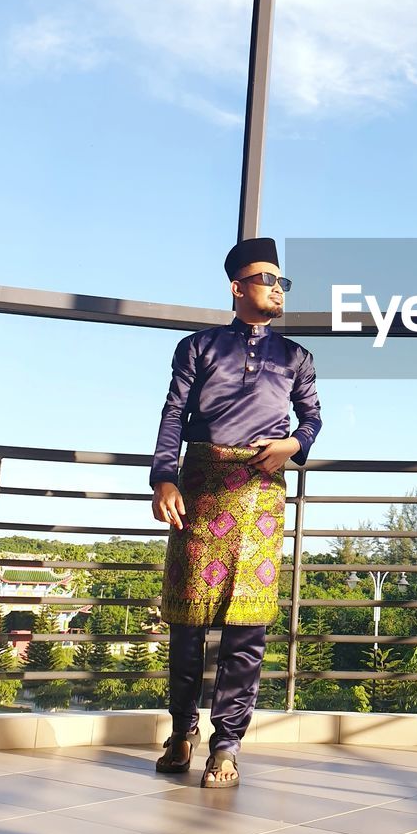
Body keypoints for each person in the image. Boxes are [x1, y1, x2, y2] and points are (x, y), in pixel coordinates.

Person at [149, 236, 322, 787]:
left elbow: (313, 420)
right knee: (187, 622)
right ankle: (181, 732)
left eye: (282, 282)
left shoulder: (297, 357)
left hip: (261, 492)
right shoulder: (197, 347)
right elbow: (173, 415)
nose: (278, 289)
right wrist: (163, 477)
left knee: (247, 627)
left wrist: (295, 444)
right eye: (268, 280)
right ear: (238, 287)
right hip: (200, 486)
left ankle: (227, 745)